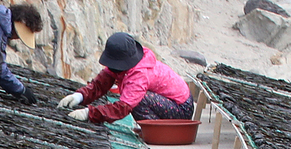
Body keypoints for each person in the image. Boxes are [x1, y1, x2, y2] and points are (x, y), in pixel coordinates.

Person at [58, 32, 194, 123]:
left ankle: (159, 130)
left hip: (180, 108)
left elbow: (123, 107)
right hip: (171, 102)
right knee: (138, 99)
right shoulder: (121, 66)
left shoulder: (140, 74)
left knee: (140, 101)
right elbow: (100, 84)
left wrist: (90, 113)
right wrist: (79, 96)